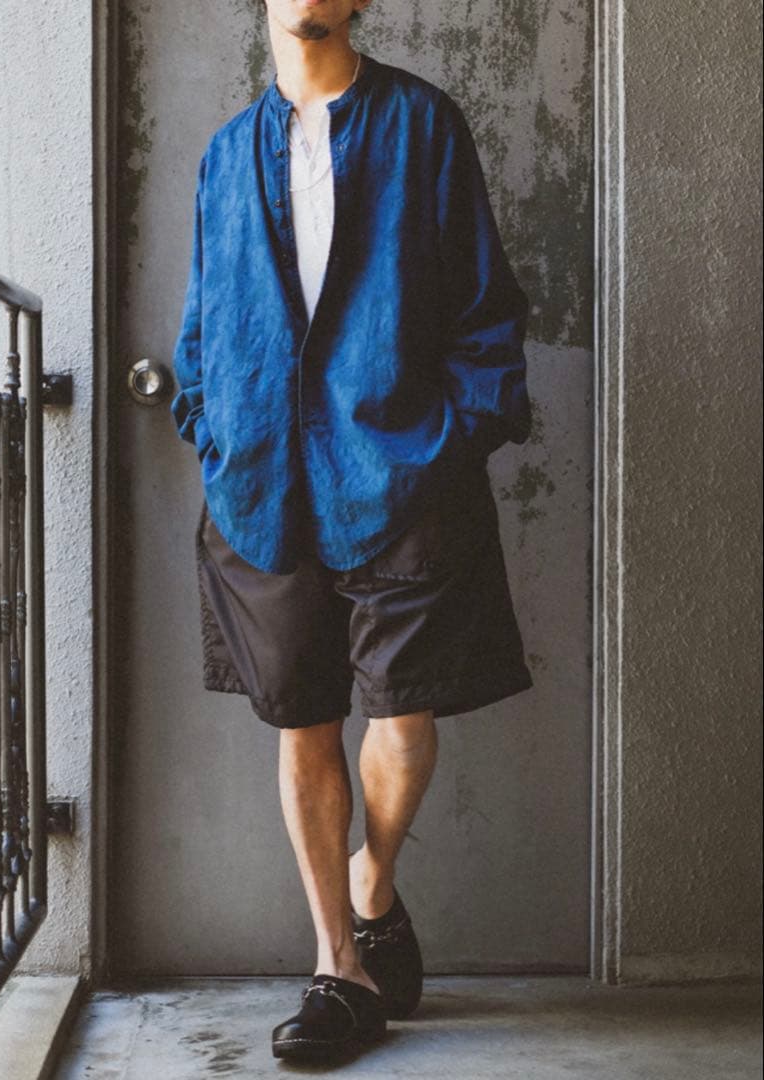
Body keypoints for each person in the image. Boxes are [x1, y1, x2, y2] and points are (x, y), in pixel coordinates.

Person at [170, 0, 534, 1062]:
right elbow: (203, 322)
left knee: (404, 721)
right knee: (304, 722)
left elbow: (483, 300)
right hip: (264, 485)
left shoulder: (423, 124)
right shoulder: (226, 154)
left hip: (400, 474)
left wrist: (451, 439)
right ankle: (341, 965)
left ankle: (374, 882)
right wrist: (214, 426)